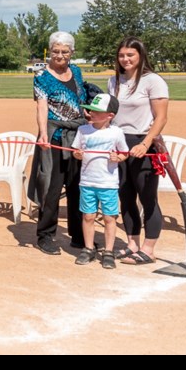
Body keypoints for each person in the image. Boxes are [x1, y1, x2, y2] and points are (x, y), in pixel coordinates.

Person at [30, 31, 93, 256]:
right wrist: (42, 133)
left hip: (78, 135)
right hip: (55, 135)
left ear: (71, 53)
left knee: (77, 186)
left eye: (64, 51)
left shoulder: (76, 71)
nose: (59, 55)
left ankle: (78, 235)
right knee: (52, 188)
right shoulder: (41, 76)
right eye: (55, 51)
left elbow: (81, 100)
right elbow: (41, 106)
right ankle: (45, 234)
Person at [108, 36, 169, 265]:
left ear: (140, 56)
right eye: (122, 55)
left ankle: (149, 248)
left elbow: (161, 118)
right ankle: (132, 243)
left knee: (147, 197)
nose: (125, 59)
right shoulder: (114, 81)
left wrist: (145, 144)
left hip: (144, 142)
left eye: (130, 55)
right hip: (119, 142)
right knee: (125, 196)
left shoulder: (153, 81)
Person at [71, 93, 129, 269]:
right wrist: (78, 154)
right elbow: (75, 151)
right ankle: (88, 248)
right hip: (87, 182)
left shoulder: (116, 132)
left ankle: (108, 251)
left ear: (110, 115)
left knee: (109, 218)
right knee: (88, 216)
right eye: (90, 110)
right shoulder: (83, 130)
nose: (91, 113)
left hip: (107, 184)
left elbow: (124, 153)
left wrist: (117, 158)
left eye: (96, 111)